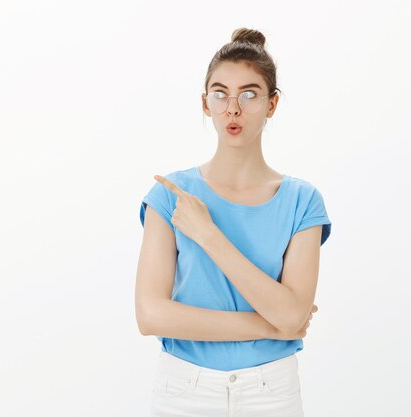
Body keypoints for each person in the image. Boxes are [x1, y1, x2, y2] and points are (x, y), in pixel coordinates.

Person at [136, 27, 332, 417]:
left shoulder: (301, 201)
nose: (233, 108)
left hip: (271, 390)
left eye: (249, 94)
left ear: (272, 104)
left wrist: (209, 235)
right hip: (184, 389)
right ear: (206, 103)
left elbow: (294, 316)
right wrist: (269, 326)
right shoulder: (171, 195)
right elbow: (151, 316)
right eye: (220, 93)